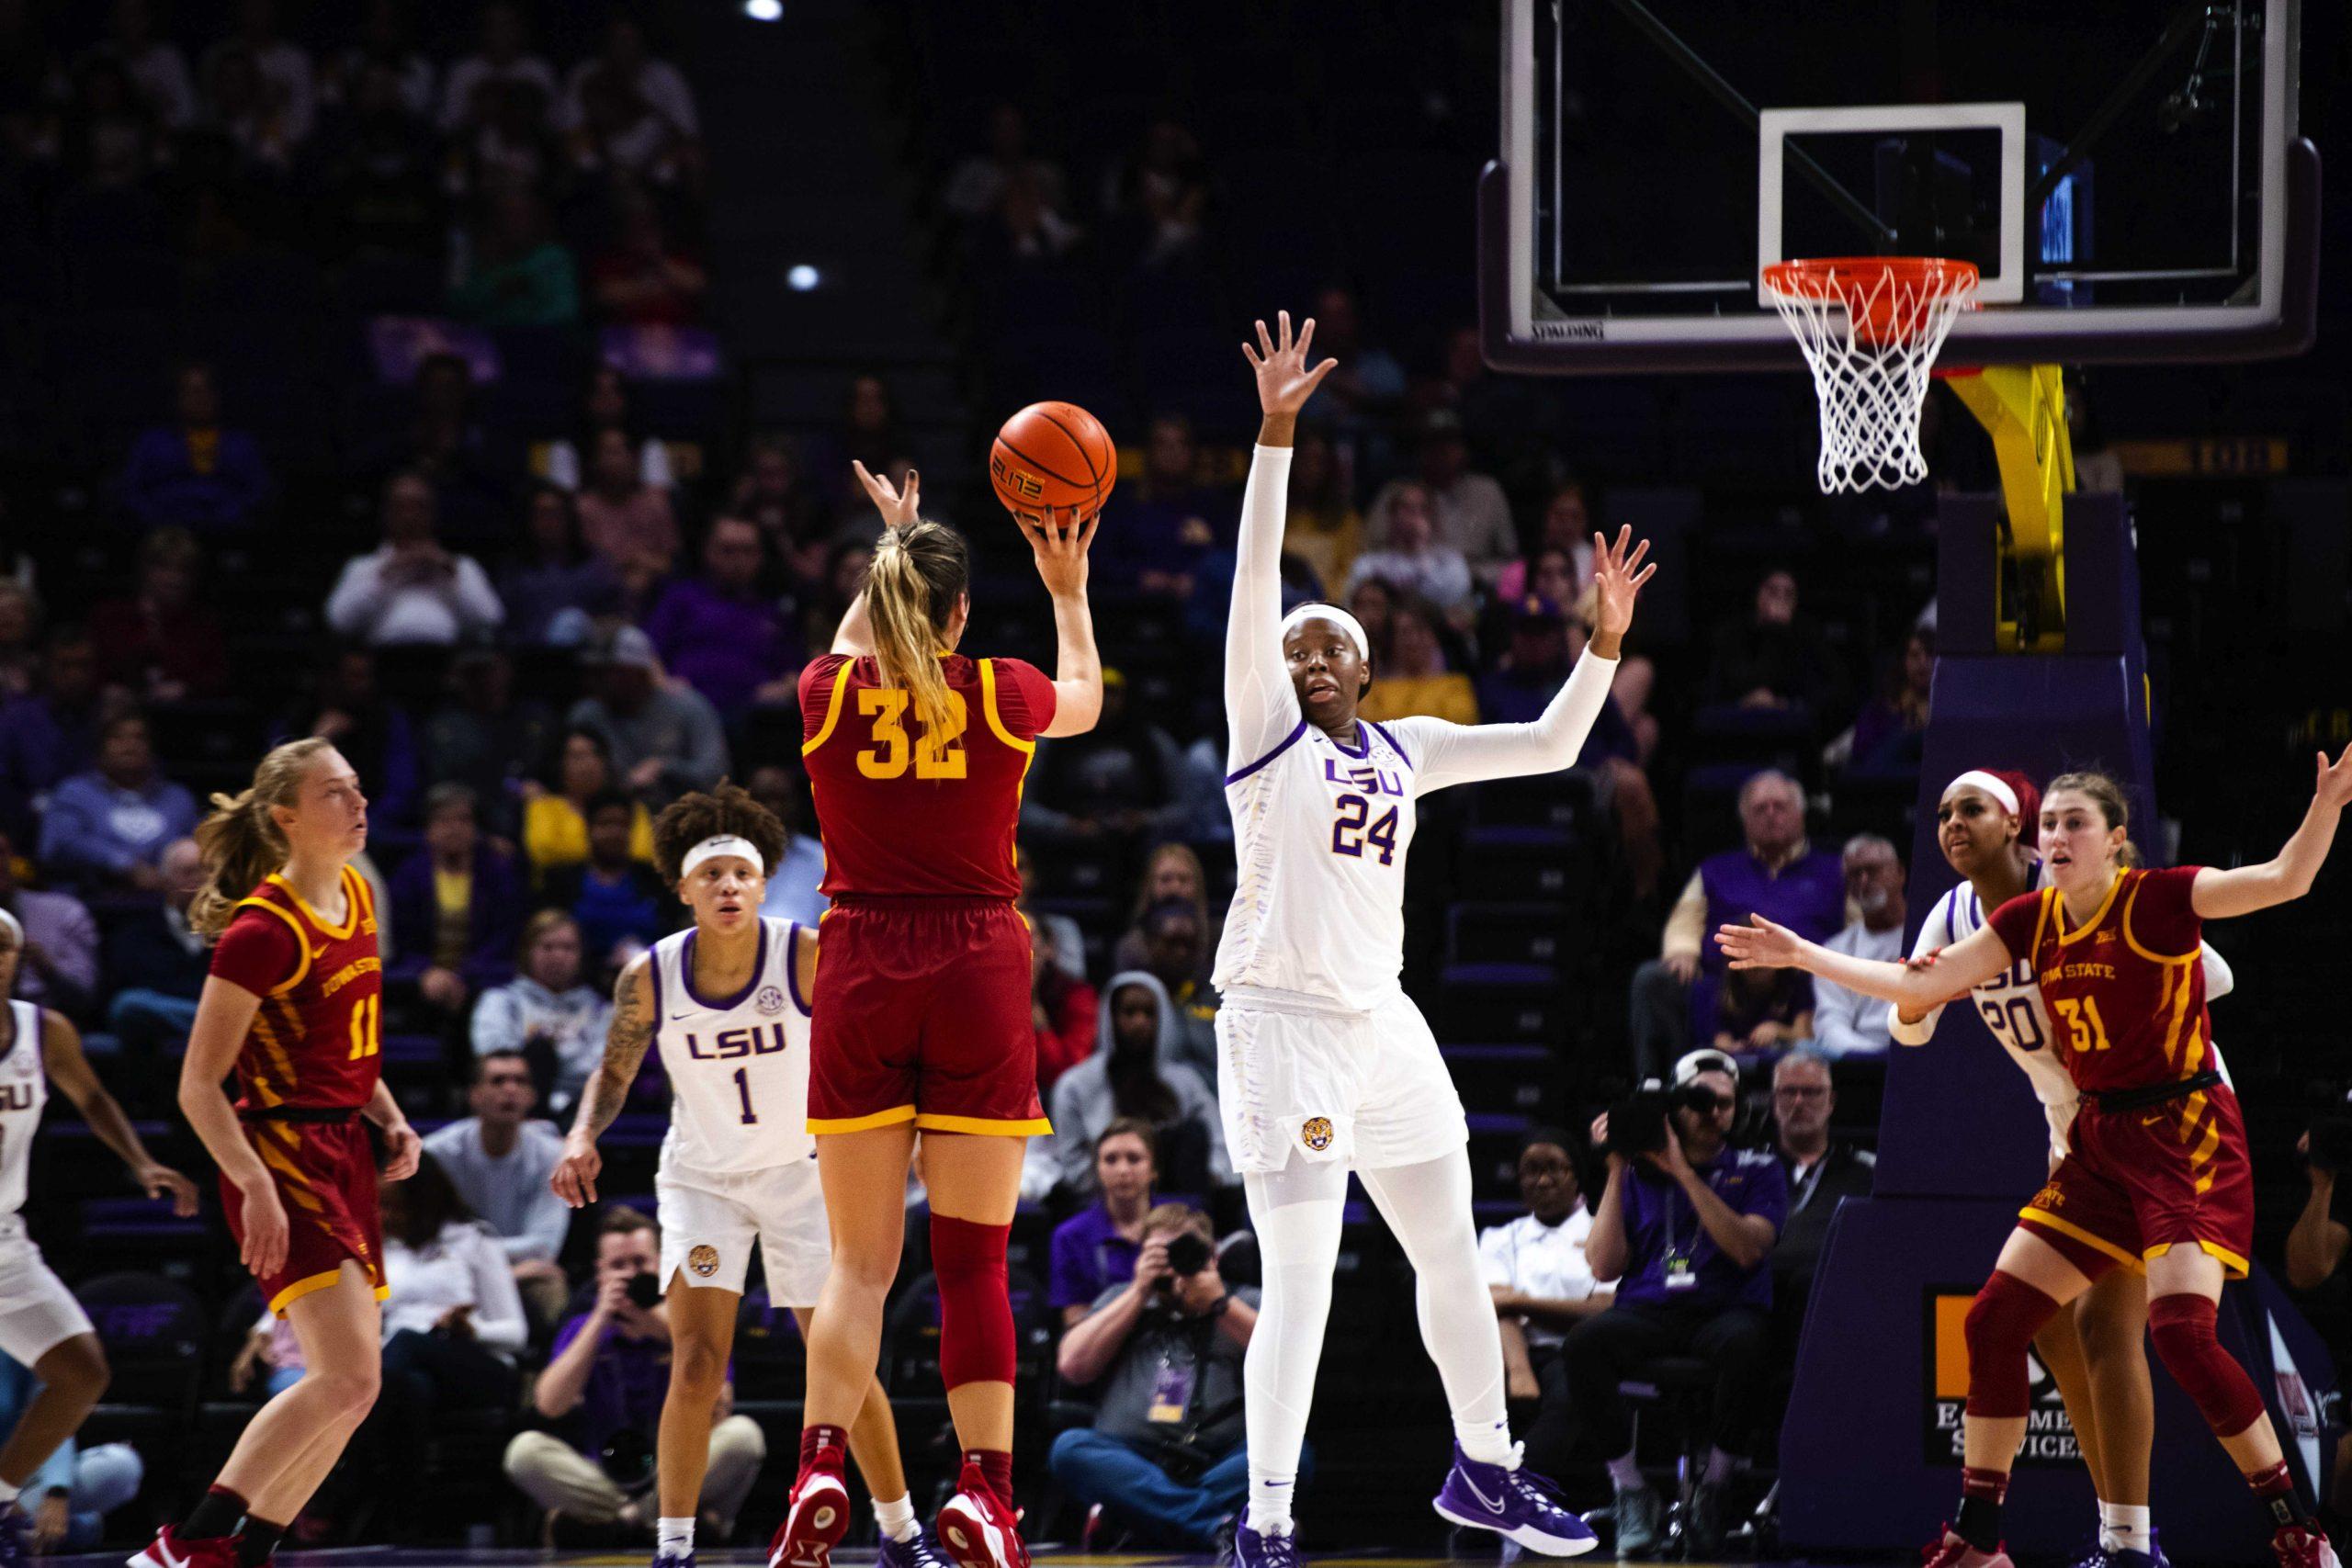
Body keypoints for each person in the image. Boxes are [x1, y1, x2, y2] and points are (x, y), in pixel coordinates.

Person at [1216, 311, 1648, 1562]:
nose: (1301, 656)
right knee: (1300, 1279)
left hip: (1382, 1020)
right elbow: (1255, 587)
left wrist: (1603, 639)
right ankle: (1268, 1519)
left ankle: (1486, 1466)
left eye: (1323, 646)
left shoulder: (1408, 745)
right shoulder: (1265, 738)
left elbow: (1555, 745)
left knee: (1447, 1247)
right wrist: (1277, 434)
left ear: (1360, 666)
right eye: (1289, 648)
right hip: (1284, 1026)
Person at [1716, 756, 2352, 1568]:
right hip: (2094, 1140)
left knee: (2181, 1336)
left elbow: (2286, 878)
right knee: (1994, 1319)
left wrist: (2326, 803)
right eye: (2048, 822)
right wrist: (1802, 952)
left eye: (2073, 822)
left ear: (2117, 841)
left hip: (2183, 1133)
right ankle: (1981, 1535)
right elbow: (1923, 983)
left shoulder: (2157, 899)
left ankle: (2295, 1526)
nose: (2056, 835)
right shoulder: (2022, 921)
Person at [775, 452, 1102, 1568]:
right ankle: (986, 1496)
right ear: (964, 611)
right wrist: (1066, 593)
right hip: (975, 965)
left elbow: (855, 636)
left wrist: (892, 548)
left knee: (858, 1267)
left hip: (862, 958)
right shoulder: (1004, 689)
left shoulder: (827, 696)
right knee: (969, 1262)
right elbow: (1089, 700)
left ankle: (821, 1462)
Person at [551, 784, 941, 1568]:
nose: (729, 885)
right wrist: (582, 1132)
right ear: (684, 888)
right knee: (695, 1361)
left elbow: (882, 1031)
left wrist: (916, 1118)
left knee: (835, 1354)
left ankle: (902, 1533)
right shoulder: (650, 976)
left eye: (742, 872)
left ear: (763, 883)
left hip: (802, 1175)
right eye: (713, 874)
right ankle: (673, 1549)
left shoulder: (802, 951)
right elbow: (613, 1071)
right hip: (703, 1184)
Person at [1885, 767, 2237, 1567]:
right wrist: (1916, 993)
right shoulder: (1954, 913)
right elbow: (1909, 1034)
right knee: (2040, 1325)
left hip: (2156, 1120)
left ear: (2018, 824)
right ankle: (2110, 1533)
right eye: (1941, 812)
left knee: (2105, 1324)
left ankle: (2132, 1541)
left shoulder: (2091, 893)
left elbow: (2213, 976)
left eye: (1971, 808)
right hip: (2073, 1129)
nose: (1952, 823)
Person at [134, 739, 424, 1568]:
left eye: (360, 786)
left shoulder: (361, 895)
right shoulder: (261, 930)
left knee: (359, 1388)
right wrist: (252, 1182)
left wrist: (393, 1116)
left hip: (344, 1149)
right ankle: (181, 1545)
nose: (359, 803)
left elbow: (349, 1053)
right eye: (336, 792)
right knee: (339, 1378)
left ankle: (251, 1547)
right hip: (282, 1154)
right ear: (286, 816)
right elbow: (197, 1085)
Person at [0, 909, 197, 1540]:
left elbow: (90, 1097)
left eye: (4, 948)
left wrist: (141, 1162)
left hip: (4, 1237)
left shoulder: (43, 1029)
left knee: (82, 1372)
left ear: (18, 958)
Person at [1570, 1053, 1783, 1556]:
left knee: (1750, 1344)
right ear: (1673, 1107)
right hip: (1651, 1311)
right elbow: (1602, 1267)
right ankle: (1630, 1489)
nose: (1714, 1113)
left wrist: (1685, 1173)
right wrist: (1618, 1166)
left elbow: (1748, 1248)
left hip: (1725, 1310)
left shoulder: (1757, 1168)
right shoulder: (1637, 1175)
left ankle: (1715, 1487)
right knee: (1584, 1345)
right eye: (1700, 1101)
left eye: (1726, 1104)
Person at [503, 1210, 767, 1549]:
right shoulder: (581, 1326)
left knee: (744, 1436)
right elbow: (549, 1405)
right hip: (605, 1475)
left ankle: (618, 1523)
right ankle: (657, 1521)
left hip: (680, 1471)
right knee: (523, 1452)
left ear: (660, 1263)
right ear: (600, 1272)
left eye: (640, 1262)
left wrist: (667, 1334)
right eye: (618, 1266)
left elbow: (720, 1411)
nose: (630, 1274)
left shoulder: (692, 1325)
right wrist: (599, 1320)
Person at [1047, 1204, 1262, 1551]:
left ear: (1213, 1255)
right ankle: (1215, 1524)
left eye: (1184, 1252)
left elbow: (1288, 1364)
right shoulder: (1122, 1298)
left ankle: (1136, 1517)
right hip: (1132, 1460)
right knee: (1070, 1448)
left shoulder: (1243, 1300)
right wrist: (1139, 1291)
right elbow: (1073, 1366)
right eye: (1161, 1254)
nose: (1174, 1264)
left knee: (1295, 1457)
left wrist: (1218, 1303)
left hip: (1217, 1458)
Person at [1627, 769, 1845, 1078]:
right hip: (1722, 986)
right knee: (1653, 979)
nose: (1771, 815)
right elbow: (1687, 916)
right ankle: (1662, 1088)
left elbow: (1860, 930)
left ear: (1800, 814)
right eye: (1760, 809)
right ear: (1744, 820)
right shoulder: (1715, 870)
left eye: (1780, 807)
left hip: (1803, 987)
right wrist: (1682, 951)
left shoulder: (1836, 870)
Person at [358, 1153, 526, 1536]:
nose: (383, 1215)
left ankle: (340, 1490)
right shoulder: (386, 1248)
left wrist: (471, 1329)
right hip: (406, 1373)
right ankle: (408, 1522)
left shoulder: (474, 1239)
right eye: (377, 1205)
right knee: (408, 1385)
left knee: (402, 1348)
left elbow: (516, 1333)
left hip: (478, 1367)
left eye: (392, 1205)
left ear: (422, 1200)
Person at [1479, 1129, 1610, 1488]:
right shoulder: (1500, 1237)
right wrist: (1519, 1372)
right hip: (1513, 1353)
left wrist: (1520, 1301)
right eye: (1530, 1171)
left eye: (1555, 1169)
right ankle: (1478, 1505)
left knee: (1570, 1389)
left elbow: (1603, 1309)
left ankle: (1511, 1488)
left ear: (1576, 1175)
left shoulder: (1604, 1232)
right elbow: (1496, 1308)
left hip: (1575, 1352)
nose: (1542, 1180)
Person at [424, 1051, 573, 1325]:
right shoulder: (438, 1153)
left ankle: (542, 1367)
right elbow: (430, 1236)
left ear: (532, 1096)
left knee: (549, 1283)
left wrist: (492, 1267)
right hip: (453, 1267)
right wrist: (493, 1270)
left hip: (521, 1270)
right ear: (474, 1095)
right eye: (498, 1080)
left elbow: (544, 1245)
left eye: (520, 1081)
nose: (510, 1089)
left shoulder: (554, 1155)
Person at [1049, 973, 1227, 1199]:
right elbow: (1073, 1162)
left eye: (1149, 1013)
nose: (1140, 1022)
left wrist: (1214, 1175)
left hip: (1177, 1202)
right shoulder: (1076, 1085)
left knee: (1192, 1135)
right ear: (1110, 1017)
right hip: (1102, 1199)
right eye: (1130, 1012)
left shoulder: (1186, 1082)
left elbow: (1219, 1143)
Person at [387, 784, 525, 1024]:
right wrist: (425, 971)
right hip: (422, 982)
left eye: (463, 820)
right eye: (444, 821)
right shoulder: (408, 876)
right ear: (428, 828)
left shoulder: (497, 873)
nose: (454, 829)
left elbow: (504, 937)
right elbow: (400, 939)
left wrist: (465, 976)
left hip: (480, 981)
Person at [324, 471, 505, 649]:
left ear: (433, 513)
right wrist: (387, 574)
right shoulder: (363, 566)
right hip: (384, 662)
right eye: (401, 507)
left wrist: (450, 573)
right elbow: (339, 622)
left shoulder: (461, 565)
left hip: (446, 662)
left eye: (419, 506)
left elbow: (490, 619)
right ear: (386, 513)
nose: (410, 516)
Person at [642, 516, 799, 718]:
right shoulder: (681, 598)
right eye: (728, 550)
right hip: (688, 709)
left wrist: (785, 688)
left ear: (760, 556)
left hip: (754, 715)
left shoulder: (774, 611)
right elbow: (648, 651)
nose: (738, 560)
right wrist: (663, 684)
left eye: (748, 551)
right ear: (708, 552)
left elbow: (792, 672)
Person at [1766, 1049, 1875, 1339]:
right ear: (1774, 1101)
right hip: (1758, 1300)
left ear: (1831, 1101)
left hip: (1834, 1299)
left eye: (1812, 1092)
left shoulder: (1866, 1171)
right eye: (1789, 1092)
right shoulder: (1750, 1167)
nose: (1799, 1101)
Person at [38, 712, 199, 897]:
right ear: (100, 748)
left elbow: (196, 849)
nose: (130, 746)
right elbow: (59, 844)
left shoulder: (178, 798)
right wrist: (123, 864)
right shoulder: (74, 792)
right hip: (93, 902)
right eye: (117, 737)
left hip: (164, 903)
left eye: (139, 738)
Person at [471, 912, 615, 1116]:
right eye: (547, 947)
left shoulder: (602, 1010)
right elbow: (496, 1056)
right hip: (518, 1110)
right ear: (527, 952)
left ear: (581, 955)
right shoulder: (500, 1001)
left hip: (583, 1109)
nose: (557, 956)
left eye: (568, 948)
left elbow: (603, 1069)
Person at [568, 627, 729, 806]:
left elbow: (716, 775)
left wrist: (664, 768)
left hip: (678, 816)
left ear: (638, 672)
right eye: (593, 672)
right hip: (608, 822)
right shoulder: (587, 715)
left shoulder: (687, 706)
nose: (594, 681)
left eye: (606, 672)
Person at [0, 1351, 141, 1553]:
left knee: (122, 1465)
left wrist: (56, 1492)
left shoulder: (14, 1340)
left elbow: (54, 1418)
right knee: (86, 1526)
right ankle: (34, 1533)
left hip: (19, 1482)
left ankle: (19, 1530)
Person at [1363, 408, 1518, 587]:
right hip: (1407, 588)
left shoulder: (1487, 492)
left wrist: (1466, 574)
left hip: (1474, 587)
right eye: (1433, 442)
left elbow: (1510, 561)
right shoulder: (1396, 492)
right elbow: (1370, 553)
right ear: (1420, 448)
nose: (1441, 451)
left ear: (1463, 448)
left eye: (1449, 442)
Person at [118, 362, 271, 534]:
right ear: (176, 398)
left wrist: (232, 515)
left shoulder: (242, 443)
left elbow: (260, 491)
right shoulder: (152, 442)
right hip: (163, 531)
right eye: (191, 391)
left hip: (228, 531)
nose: (200, 398)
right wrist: (157, 520)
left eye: (206, 390)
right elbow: (130, 490)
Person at [542, 790, 675, 975]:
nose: (614, 832)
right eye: (605, 824)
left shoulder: (656, 880)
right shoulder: (561, 881)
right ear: (588, 827)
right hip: (579, 981)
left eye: (621, 824)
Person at [103, 836, 210, 1051]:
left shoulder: (234, 930)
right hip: (158, 1023)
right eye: (189, 872)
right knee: (129, 1004)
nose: (200, 880)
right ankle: (212, 1029)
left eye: (207, 871)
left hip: (213, 1014)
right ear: (166, 881)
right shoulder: (136, 934)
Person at [1049, 1121, 1159, 1328]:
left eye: (1134, 1159)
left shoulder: (1181, 1226)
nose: (1123, 1170)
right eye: (1110, 1160)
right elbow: (1075, 1324)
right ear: (1098, 1170)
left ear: (1154, 1169)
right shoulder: (1070, 1236)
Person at [1809, 835, 1906, 1058]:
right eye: (1854, 874)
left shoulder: (1931, 933)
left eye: (1872, 871)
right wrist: (1873, 1057)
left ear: (1900, 873)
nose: (1863, 881)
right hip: (1862, 1061)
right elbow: (1830, 1024)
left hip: (1926, 1054)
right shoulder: (1834, 951)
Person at [523, 728, 659, 886]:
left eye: (595, 754)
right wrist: (609, 853)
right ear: (560, 764)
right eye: (577, 757)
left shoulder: (632, 808)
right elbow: (543, 852)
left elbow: (642, 853)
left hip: (627, 894)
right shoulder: (543, 805)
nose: (587, 764)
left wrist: (577, 850)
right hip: (561, 896)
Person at [0, 834, 96, 1023]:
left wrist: (45, 967)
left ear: (14, 858)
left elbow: (86, 1001)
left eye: (0, 853)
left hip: (47, 1025)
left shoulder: (64, 912)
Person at [1345, 482, 1474, 622]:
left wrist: (1420, 550)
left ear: (1433, 516)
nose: (1415, 514)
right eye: (1406, 507)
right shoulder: (1369, 565)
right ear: (1392, 515)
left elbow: (1451, 605)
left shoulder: (1450, 563)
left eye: (1422, 508)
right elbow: (1352, 607)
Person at [1359, 598, 1478, 725]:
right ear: (1392, 640)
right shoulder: (1373, 694)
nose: (1413, 640)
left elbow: (1461, 726)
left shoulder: (1455, 688)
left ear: (1434, 636)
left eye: (1420, 630)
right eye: (1405, 633)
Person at [1136, 900, 1219, 1081]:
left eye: (1189, 944)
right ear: (1150, 944)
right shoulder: (1133, 996)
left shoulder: (1218, 998)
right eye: (1172, 943)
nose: (1181, 952)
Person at [1111, 844, 1217, 977]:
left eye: (1184, 880)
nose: (1175, 887)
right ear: (1149, 886)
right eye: (1165, 879)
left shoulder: (1219, 940)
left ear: (1198, 885)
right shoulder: (1131, 947)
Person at [1029, 922, 1095, 1094]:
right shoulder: (987, 996)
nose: (1021, 942)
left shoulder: (1078, 995)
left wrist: (1033, 1004)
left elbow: (1065, 1074)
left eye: (1029, 934)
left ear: (1049, 947)